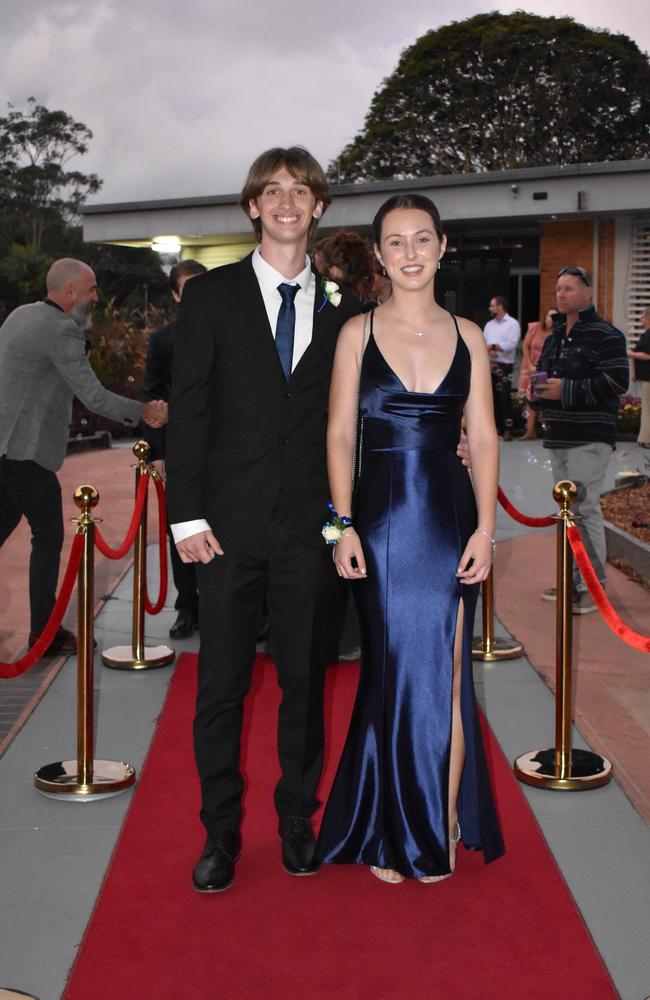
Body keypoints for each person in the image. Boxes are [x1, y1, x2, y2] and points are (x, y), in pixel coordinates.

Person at [164, 147, 363, 893]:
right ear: (253, 206)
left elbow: (359, 421)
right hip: (225, 528)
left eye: (300, 190)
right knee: (220, 686)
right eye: (271, 190)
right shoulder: (212, 296)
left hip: (310, 531)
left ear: (318, 207)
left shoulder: (347, 306)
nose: (286, 201)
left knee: (306, 684)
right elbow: (190, 413)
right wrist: (185, 517)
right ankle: (220, 834)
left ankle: (295, 822)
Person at [316, 194, 504, 883]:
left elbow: (482, 437)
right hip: (382, 522)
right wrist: (339, 527)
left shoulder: (470, 335)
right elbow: (338, 434)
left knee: (449, 680)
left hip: (451, 519)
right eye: (395, 242)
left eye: (422, 239)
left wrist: (487, 529)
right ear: (380, 255)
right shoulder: (356, 335)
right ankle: (391, 823)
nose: (410, 253)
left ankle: (441, 823)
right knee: (394, 674)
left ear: (443, 246)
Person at [0, 258, 167, 655]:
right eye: (91, 289)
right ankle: (44, 636)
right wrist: (143, 411)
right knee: (49, 536)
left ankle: (44, 632)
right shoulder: (61, 331)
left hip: (4, 448)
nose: (96, 297)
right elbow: (91, 395)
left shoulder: (21, 316)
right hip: (25, 451)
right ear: (69, 292)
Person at [533, 266, 629, 613]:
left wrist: (567, 390)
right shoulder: (555, 336)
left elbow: (618, 382)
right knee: (568, 512)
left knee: (584, 510)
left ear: (588, 293)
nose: (562, 295)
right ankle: (573, 579)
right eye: (558, 289)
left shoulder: (607, 334)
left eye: (570, 288)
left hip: (589, 436)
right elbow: (547, 383)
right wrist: (537, 392)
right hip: (558, 435)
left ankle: (591, 586)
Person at [141, 259, 207, 638]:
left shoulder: (235, 331)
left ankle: (246, 610)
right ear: (175, 294)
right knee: (180, 529)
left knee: (231, 529)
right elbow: (152, 397)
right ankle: (188, 608)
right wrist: (158, 452)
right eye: (189, 289)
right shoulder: (163, 340)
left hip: (226, 450)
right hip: (180, 450)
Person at [483, 295, 521, 441]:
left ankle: (508, 430)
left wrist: (493, 347)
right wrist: (493, 348)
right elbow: (484, 343)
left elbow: (510, 345)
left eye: (492, 305)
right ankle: (496, 428)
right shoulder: (489, 325)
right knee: (491, 397)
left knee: (504, 396)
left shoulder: (512, 324)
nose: (490, 308)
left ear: (500, 306)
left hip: (505, 365)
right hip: (491, 364)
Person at [518, 307, 556, 440]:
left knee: (539, 397)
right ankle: (529, 430)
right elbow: (525, 346)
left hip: (544, 369)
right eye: (550, 316)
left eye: (555, 316)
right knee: (528, 397)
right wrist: (529, 364)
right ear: (545, 317)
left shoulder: (557, 333)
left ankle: (545, 429)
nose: (551, 319)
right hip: (530, 365)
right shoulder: (535, 328)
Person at [628, 305, 650, 448]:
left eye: (643, 316)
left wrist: (631, 353)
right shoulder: (645, 334)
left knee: (648, 408)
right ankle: (644, 437)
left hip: (649, 377)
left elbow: (647, 355)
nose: (641, 319)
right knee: (646, 408)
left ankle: (647, 439)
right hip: (644, 376)